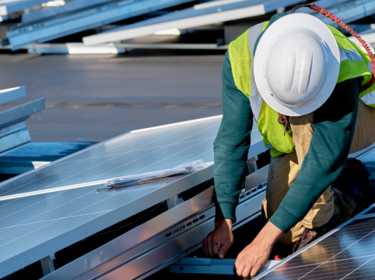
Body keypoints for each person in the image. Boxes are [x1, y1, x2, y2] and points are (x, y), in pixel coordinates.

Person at [202, 5, 375, 279]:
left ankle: (331, 210)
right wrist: (224, 220)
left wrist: (262, 242)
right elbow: (230, 144)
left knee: (300, 226)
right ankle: (348, 186)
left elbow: (323, 157)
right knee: (283, 232)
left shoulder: (334, 64)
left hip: (360, 122)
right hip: (293, 139)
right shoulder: (240, 58)